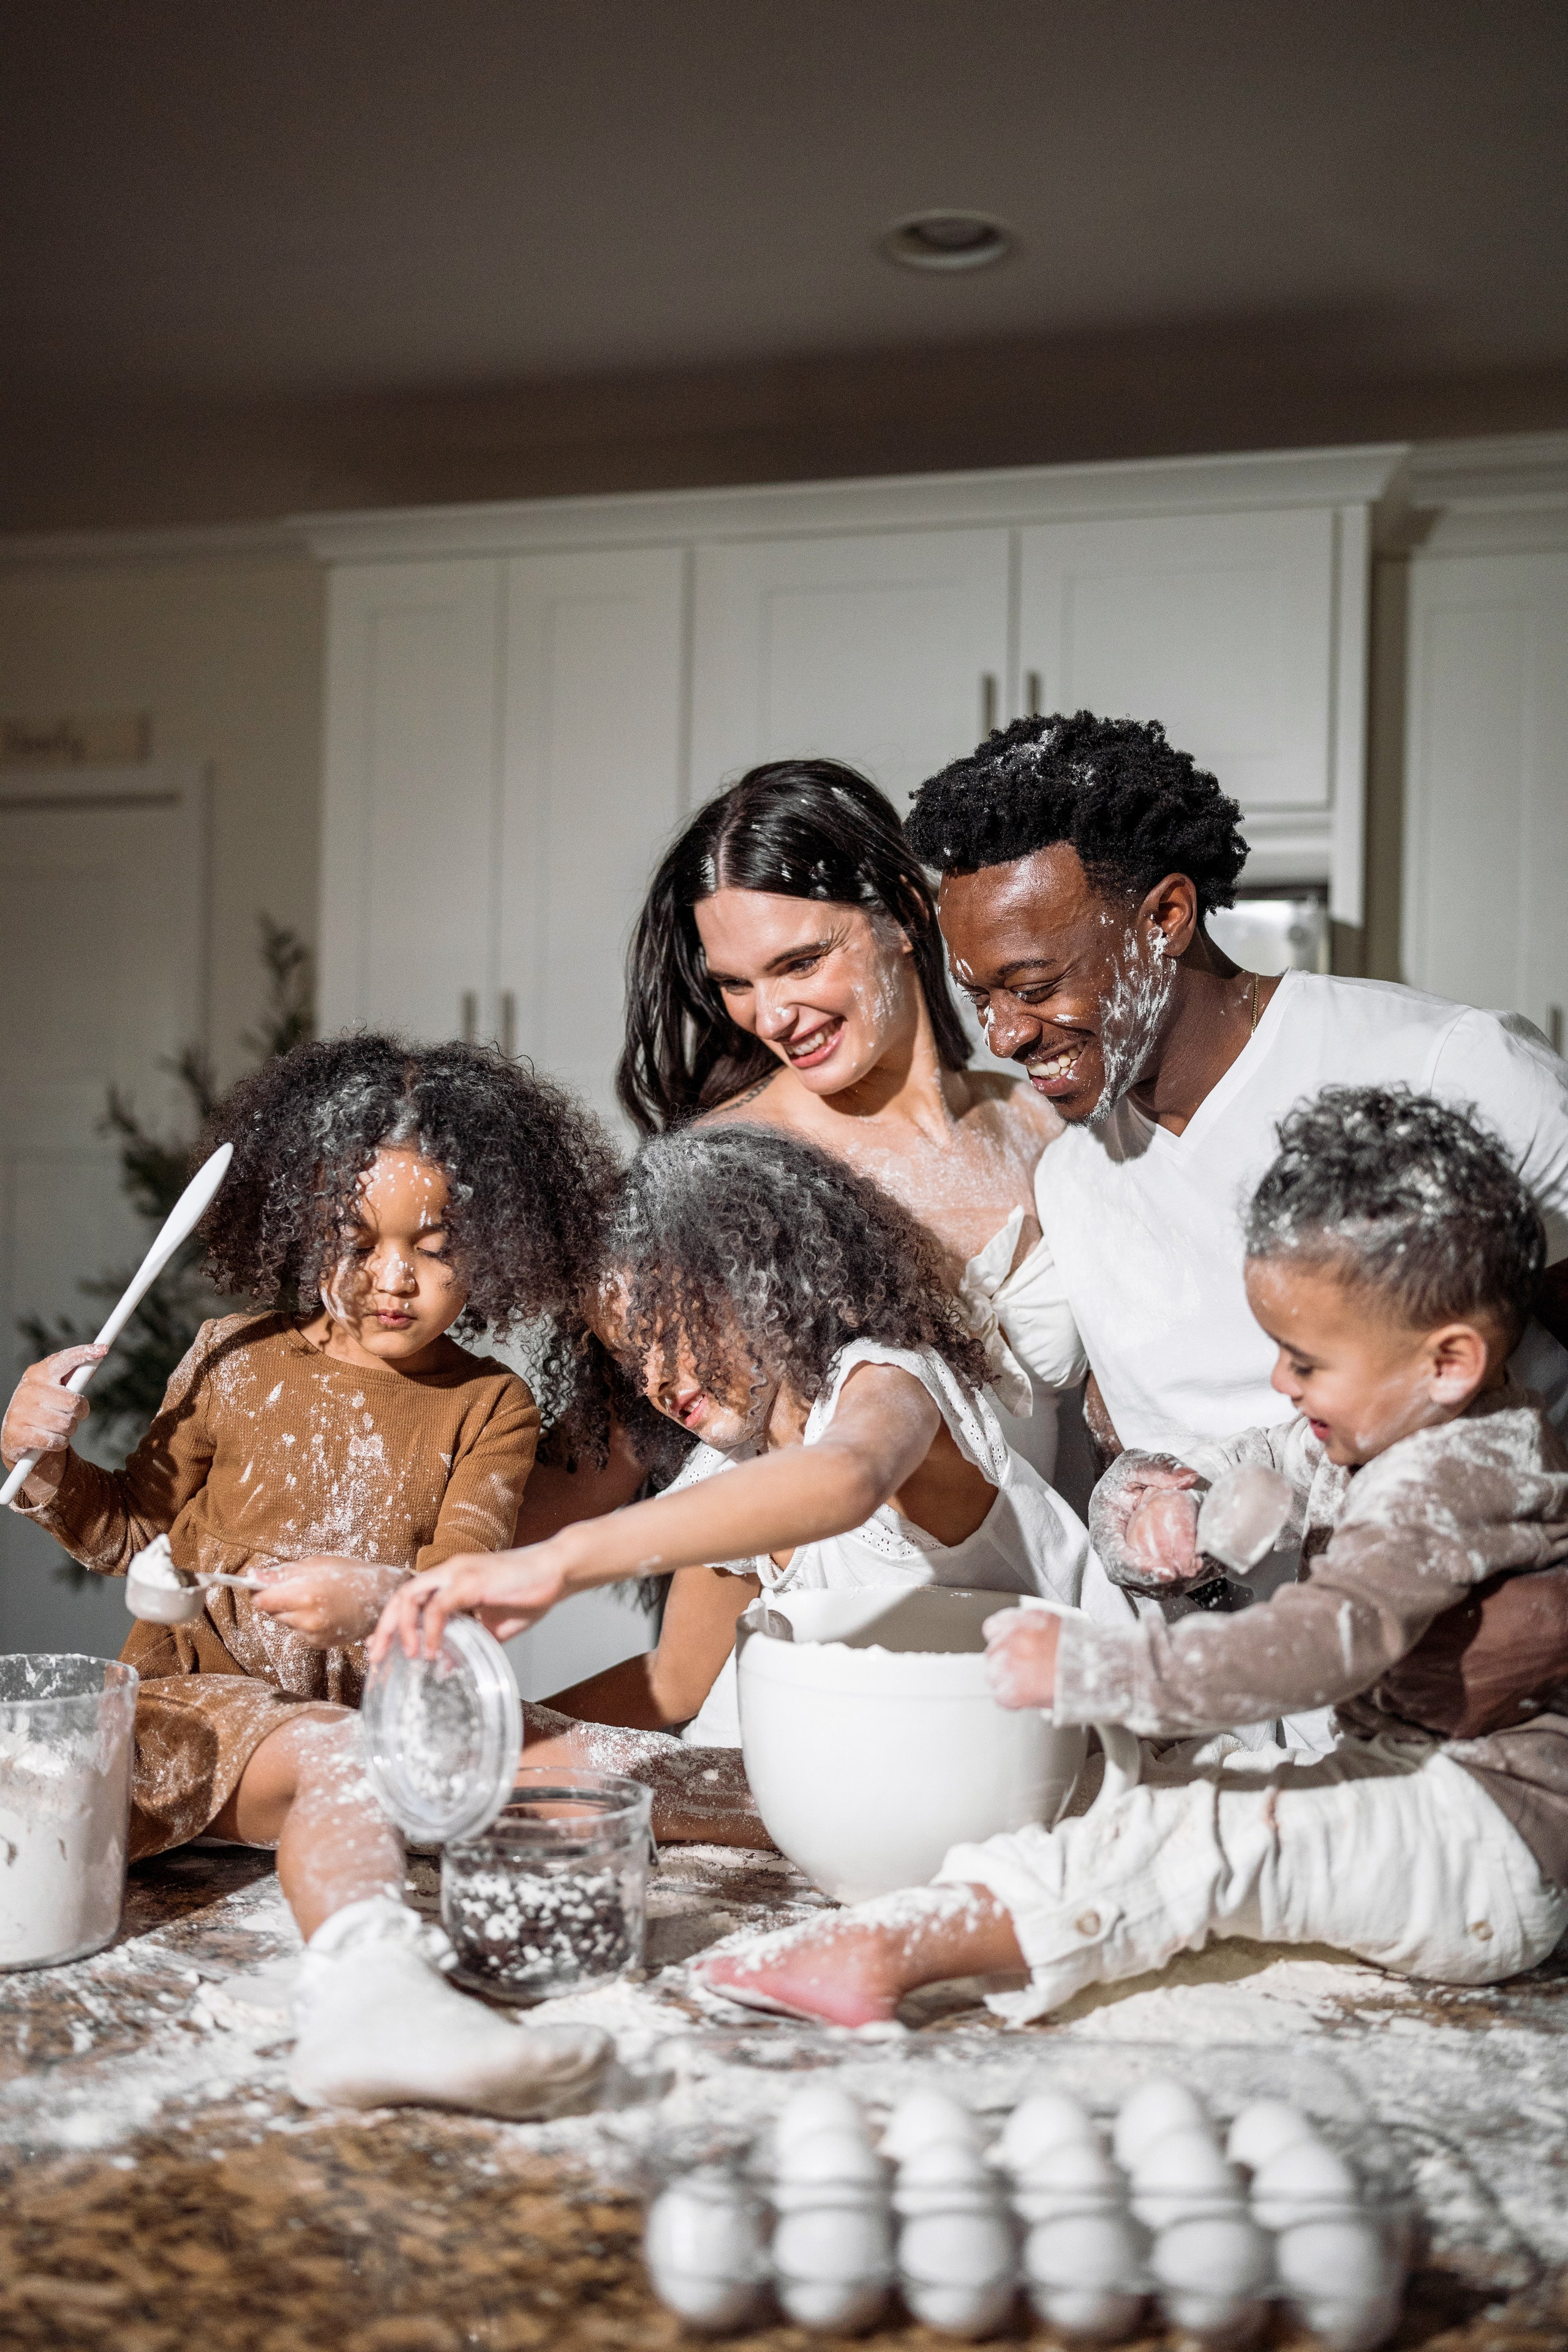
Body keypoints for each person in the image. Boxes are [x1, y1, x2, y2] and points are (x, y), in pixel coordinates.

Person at [693, 1088, 1568, 2027]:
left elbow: (1325, 1642)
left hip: (1490, 1839)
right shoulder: (1425, 1422)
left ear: (1449, 1362)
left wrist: (1102, 1671)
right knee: (1181, 1800)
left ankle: (904, 1954)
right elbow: (1287, 1456)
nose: (1281, 1381)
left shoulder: (1446, 1479)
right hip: (1426, 1792)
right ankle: (933, 1926)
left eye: (1305, 1363)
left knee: (1197, 1840)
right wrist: (1203, 1492)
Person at [1, 1035, 613, 2119]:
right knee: (342, 1753)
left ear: (497, 1248)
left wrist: (376, 1600)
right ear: (297, 1229)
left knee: (597, 1767)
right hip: (185, 1723)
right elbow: (126, 1532)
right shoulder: (232, 1356)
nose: (392, 1277)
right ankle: (374, 2000)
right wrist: (43, 1464)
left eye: (433, 1246)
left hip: (378, 1721)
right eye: (356, 1239)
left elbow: (458, 1592)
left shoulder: (492, 1404)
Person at [908, 709, 1568, 1466]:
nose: (1004, 1035)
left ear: (1166, 916)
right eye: (980, 999)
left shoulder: (1450, 1067)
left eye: (1033, 984)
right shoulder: (1072, 1179)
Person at [373, 1126, 1134, 1735]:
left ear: (760, 1277)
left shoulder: (892, 1384)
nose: (655, 1381)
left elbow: (847, 1479)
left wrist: (559, 1563)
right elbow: (674, 1682)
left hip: (1043, 1766)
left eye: (668, 1332)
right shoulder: (729, 1467)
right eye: (630, 1361)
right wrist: (483, 1738)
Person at [617, 756, 1088, 1494]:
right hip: (853, 1609)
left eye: (800, 963)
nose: (768, 1017)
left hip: (1053, 1598)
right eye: (735, 983)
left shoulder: (1035, 1121)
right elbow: (643, 1460)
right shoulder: (722, 1171)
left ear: (902, 913)